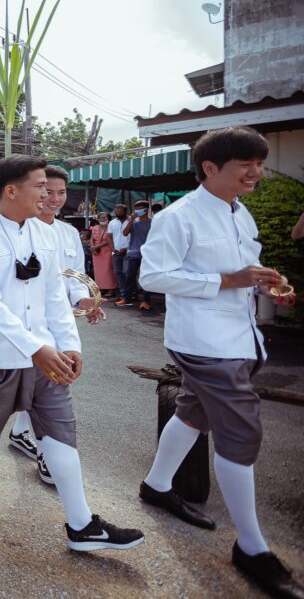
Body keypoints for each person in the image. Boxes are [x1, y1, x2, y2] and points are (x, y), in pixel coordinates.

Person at [138, 127, 302, 598]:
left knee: (195, 411)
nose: (256, 172)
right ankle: (250, 548)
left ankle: (157, 484)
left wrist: (260, 284)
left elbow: (240, 271)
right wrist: (226, 280)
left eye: (259, 162)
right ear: (210, 168)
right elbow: (152, 276)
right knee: (241, 428)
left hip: (240, 336)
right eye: (245, 164)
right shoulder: (178, 216)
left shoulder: (240, 212)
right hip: (204, 340)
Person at [0, 155, 144, 552]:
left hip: (47, 357)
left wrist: (69, 344)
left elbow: (56, 298)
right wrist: (35, 348)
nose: (47, 194)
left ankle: (82, 525)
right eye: (40, 186)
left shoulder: (46, 236)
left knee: (61, 432)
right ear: (12, 191)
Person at [10, 165, 107, 483]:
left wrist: (85, 301)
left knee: (48, 383)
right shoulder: (19, 229)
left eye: (61, 192)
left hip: (60, 323)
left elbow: (77, 279)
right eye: (47, 191)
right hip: (28, 323)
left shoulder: (67, 233)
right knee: (37, 384)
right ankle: (41, 448)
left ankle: (26, 436)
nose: (54, 198)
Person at [122, 199, 154, 311]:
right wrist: (131, 219)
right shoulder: (133, 222)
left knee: (145, 276)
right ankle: (127, 298)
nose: (138, 210)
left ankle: (146, 300)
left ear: (146, 209)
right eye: (137, 208)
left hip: (148, 254)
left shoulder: (152, 222)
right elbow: (125, 233)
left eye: (141, 208)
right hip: (133, 253)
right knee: (129, 276)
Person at [109, 204, 132, 306]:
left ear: (125, 211)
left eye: (120, 210)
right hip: (116, 252)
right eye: (116, 210)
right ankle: (124, 295)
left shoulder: (132, 221)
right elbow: (109, 237)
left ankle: (130, 294)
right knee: (118, 273)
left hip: (129, 251)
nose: (117, 211)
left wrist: (126, 248)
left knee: (127, 273)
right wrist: (112, 248)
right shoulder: (112, 222)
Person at [89, 212, 117, 297]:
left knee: (108, 270)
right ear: (98, 218)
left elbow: (109, 240)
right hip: (96, 252)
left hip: (107, 250)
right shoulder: (94, 228)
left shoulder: (110, 227)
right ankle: (101, 288)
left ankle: (111, 290)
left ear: (108, 219)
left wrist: (97, 246)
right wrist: (92, 247)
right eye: (101, 217)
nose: (103, 219)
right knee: (98, 271)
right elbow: (91, 238)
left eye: (105, 217)